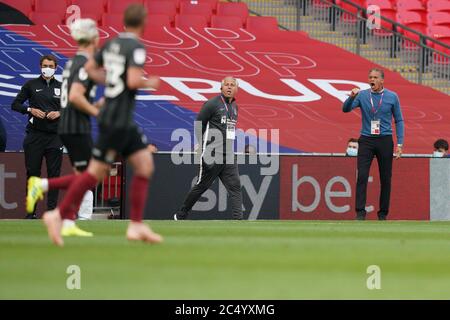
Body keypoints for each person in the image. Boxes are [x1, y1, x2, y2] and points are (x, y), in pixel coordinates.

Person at [41, 4, 163, 246]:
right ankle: (58, 215)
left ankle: (135, 226)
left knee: (142, 165)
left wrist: (112, 82)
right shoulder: (136, 47)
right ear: (144, 22)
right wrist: (149, 83)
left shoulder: (111, 44)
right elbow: (131, 80)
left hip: (114, 117)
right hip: (118, 120)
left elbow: (90, 69)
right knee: (97, 173)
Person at [26, 19, 103, 237]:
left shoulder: (73, 62)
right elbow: (76, 96)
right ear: (94, 39)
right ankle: (42, 186)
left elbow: (74, 96)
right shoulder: (85, 63)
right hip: (77, 126)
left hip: (69, 124)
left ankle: (68, 221)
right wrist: (97, 112)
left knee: (84, 174)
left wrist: (96, 105)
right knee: (92, 174)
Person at [173, 76, 243, 221]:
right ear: (221, 88)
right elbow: (199, 123)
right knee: (201, 186)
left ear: (237, 89)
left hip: (228, 154)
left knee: (235, 186)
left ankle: (238, 220)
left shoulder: (234, 107)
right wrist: (200, 143)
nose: (229, 87)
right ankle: (181, 215)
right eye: (227, 85)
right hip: (212, 153)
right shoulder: (212, 104)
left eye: (232, 85)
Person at [343, 68, 404, 221]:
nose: (372, 80)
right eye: (370, 77)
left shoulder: (392, 96)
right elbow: (345, 109)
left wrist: (400, 143)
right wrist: (351, 97)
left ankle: (382, 214)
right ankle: (360, 213)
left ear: (382, 80)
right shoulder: (362, 95)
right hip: (366, 139)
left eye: (376, 77)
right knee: (362, 176)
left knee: (385, 178)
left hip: (385, 140)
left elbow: (399, 120)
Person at [11, 54, 63, 219]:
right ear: (40, 66)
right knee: (33, 173)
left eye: (51, 66)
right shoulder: (31, 85)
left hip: (55, 136)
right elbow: (15, 104)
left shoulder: (63, 87)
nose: (47, 68)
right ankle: (30, 212)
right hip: (35, 136)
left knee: (54, 175)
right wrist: (29, 110)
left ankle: (52, 212)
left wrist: (60, 113)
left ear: (56, 68)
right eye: (45, 65)